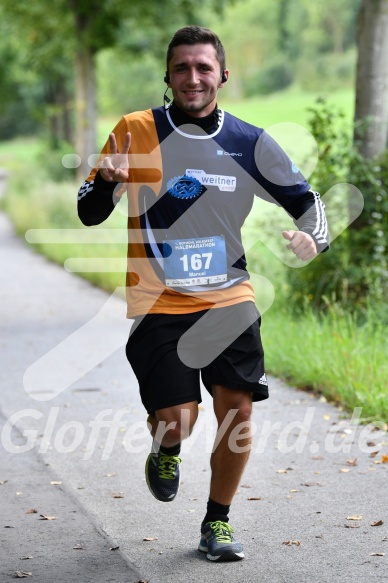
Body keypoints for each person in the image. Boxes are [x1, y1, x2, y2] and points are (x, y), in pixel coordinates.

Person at [77, 25, 329, 562]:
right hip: (159, 302)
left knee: (237, 410)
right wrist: (105, 182)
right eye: (182, 68)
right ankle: (166, 448)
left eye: (203, 68)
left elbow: (308, 200)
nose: (193, 77)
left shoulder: (249, 142)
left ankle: (217, 523)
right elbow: (89, 212)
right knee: (179, 419)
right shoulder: (134, 130)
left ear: (223, 76)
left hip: (229, 297)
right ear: (168, 76)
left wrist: (314, 238)